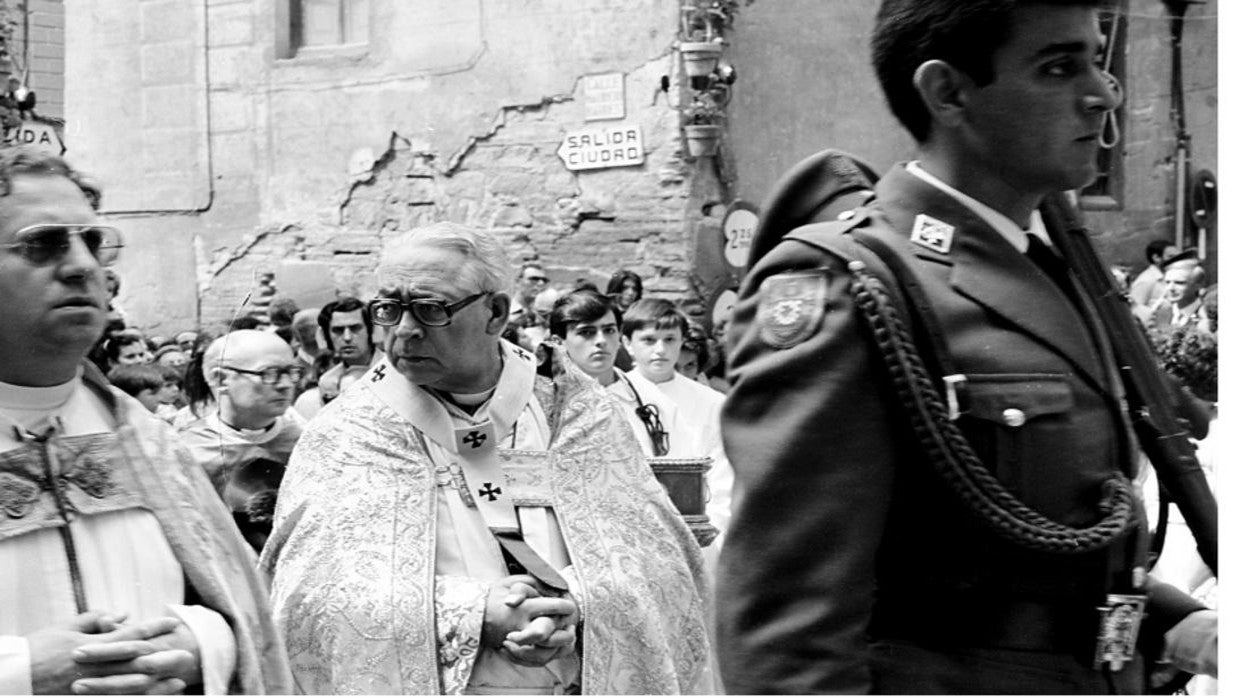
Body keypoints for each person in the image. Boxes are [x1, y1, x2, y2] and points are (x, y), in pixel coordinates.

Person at [717, 1, 1216, 693]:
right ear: (948, 93)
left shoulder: (1052, 272)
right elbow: (787, 638)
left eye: (1098, 60)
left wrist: (1178, 627)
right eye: (1059, 67)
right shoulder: (852, 287)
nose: (1103, 92)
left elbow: (1026, 552)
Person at [263, 221, 710, 694]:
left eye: (431, 309)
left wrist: (576, 605)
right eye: (390, 308)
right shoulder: (349, 434)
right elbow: (308, 602)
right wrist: (473, 614)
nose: (406, 330)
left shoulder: (574, 412)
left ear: (495, 313)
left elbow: (661, 569)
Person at [0, 146, 289, 694]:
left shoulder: (147, 442)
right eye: (43, 243)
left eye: (93, 242)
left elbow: (240, 606)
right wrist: (19, 670)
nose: (84, 265)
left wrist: (195, 645)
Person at [176, 330, 306, 546]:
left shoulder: (307, 442)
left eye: (291, 372)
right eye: (269, 373)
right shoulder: (187, 450)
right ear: (221, 379)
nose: (286, 384)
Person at [622, 299, 733, 543]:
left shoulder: (711, 403)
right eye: (649, 340)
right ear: (628, 344)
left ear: (682, 340)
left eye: (669, 339)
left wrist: (712, 527)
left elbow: (722, 476)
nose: (660, 349)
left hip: (699, 531)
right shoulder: (612, 398)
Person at [548, 289, 685, 460]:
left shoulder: (654, 402)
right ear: (557, 343)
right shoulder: (543, 405)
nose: (601, 341)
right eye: (586, 332)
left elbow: (682, 473)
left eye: (609, 330)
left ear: (620, 336)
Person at [1149, 252, 1206, 338]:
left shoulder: (1206, 315)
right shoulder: (1159, 313)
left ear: (1198, 285)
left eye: (1179, 283)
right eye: (1167, 282)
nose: (1171, 288)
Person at [1129, 238, 1178, 308]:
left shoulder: (1171, 277)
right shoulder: (1146, 280)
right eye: (1171, 256)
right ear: (1156, 258)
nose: (1176, 260)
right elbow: (1134, 310)